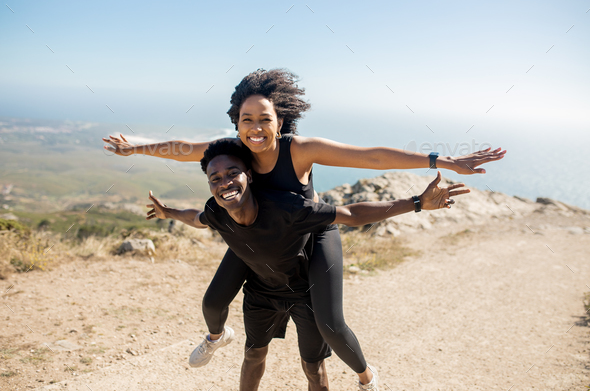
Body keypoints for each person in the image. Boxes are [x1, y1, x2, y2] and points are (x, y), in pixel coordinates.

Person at [103, 68, 506, 387]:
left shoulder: (299, 149)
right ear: (236, 122)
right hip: (261, 235)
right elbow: (181, 149)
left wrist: (443, 161)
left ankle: (367, 379)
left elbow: (372, 158)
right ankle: (215, 336)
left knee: (329, 324)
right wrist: (133, 146)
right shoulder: (234, 152)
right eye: (246, 120)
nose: (255, 127)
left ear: (280, 121)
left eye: (264, 119)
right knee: (214, 301)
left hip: (311, 232)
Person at [146, 140, 471, 391]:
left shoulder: (287, 208)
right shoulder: (216, 211)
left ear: (249, 177)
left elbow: (350, 214)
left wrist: (416, 203)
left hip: (305, 292)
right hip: (261, 291)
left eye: (233, 173)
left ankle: (367, 377)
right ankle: (217, 337)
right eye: (215, 178)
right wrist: (168, 212)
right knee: (253, 355)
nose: (225, 183)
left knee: (313, 366)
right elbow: (197, 218)